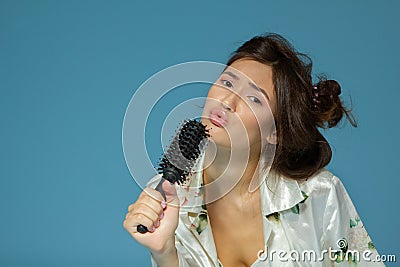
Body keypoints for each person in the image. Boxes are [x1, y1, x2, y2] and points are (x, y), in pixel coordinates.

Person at [123, 33, 385, 266]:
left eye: (253, 98)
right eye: (227, 83)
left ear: (275, 132)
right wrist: (165, 253)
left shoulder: (319, 195)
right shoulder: (168, 196)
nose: (227, 102)